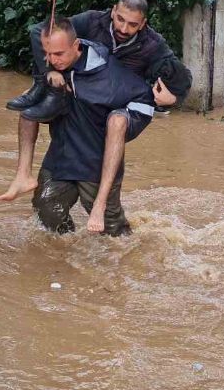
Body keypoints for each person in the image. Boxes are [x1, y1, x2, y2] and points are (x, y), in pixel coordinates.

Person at [0, 0, 192, 233]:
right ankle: (61, 238)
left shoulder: (153, 44)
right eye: (120, 19)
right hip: (86, 98)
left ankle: (103, 211)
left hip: (124, 103)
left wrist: (173, 99)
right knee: (47, 205)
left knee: (116, 122)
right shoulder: (91, 22)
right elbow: (44, 32)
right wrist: (47, 73)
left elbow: (182, 77)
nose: (123, 28)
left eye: (132, 24)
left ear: (143, 24)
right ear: (112, 11)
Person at [16, 17, 155, 236]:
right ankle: (67, 255)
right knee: (46, 210)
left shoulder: (109, 75)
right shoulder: (50, 70)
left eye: (59, 54)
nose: (53, 60)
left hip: (95, 165)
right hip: (61, 159)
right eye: (48, 54)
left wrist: (125, 120)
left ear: (76, 45)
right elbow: (31, 112)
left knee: (114, 236)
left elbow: (145, 99)